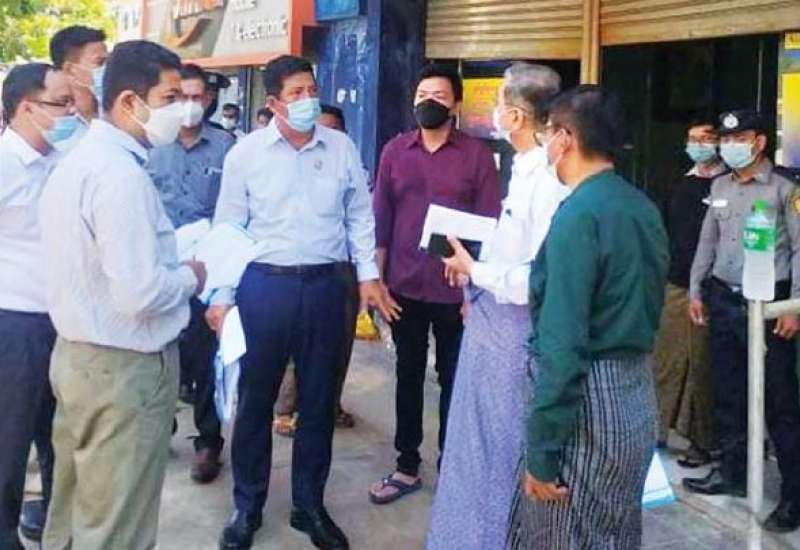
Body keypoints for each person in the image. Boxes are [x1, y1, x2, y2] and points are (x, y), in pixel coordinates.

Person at [207, 55, 399, 550]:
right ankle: (247, 506)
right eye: (296, 93)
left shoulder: (339, 147)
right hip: (263, 287)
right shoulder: (246, 154)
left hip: (327, 287)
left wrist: (368, 276)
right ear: (273, 102)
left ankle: (308, 505)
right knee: (256, 401)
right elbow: (229, 226)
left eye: (311, 90)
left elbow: (359, 215)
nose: (308, 100)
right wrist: (222, 295)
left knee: (318, 401)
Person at [38, 40, 207, 549]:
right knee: (117, 527)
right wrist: (191, 275)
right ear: (130, 101)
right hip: (124, 371)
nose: (183, 109)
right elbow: (141, 292)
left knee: (73, 513)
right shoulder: (120, 176)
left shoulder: (78, 159)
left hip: (79, 357)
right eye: (170, 97)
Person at [511, 85, 668, 549]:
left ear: (566, 138)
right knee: (616, 533)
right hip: (635, 397)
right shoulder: (640, 205)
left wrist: (542, 452)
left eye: (548, 134)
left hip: (587, 404)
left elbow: (562, 347)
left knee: (565, 533)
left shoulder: (579, 215)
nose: (546, 145)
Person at [425, 62, 566, 550]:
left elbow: (540, 279)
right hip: (491, 325)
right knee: (477, 450)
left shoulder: (549, 179)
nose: (495, 112)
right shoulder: (522, 167)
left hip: (515, 336)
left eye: (500, 103)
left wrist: (477, 271)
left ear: (517, 116)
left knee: (500, 455)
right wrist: (475, 270)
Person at [369, 63, 502, 505]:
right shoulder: (395, 151)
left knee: (454, 378)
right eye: (423, 94)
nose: (429, 102)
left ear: (456, 105)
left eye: (440, 96)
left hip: (455, 290)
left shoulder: (476, 156)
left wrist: (474, 291)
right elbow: (381, 220)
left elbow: (489, 225)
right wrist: (377, 281)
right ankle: (406, 465)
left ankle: (453, 467)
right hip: (404, 285)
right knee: (407, 375)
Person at [683, 109, 800, 532]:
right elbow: (707, 241)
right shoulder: (720, 185)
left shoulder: (785, 188)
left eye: (739, 138)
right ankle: (733, 473)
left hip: (769, 304)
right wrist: (696, 289)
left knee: (779, 401)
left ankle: (794, 495)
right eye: (727, 139)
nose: (730, 146)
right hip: (724, 298)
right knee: (729, 392)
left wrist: (795, 306)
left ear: (759, 142)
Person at [147, 62, 235, 484]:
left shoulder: (226, 147)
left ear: (210, 99)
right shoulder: (151, 145)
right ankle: (158, 427)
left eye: (197, 97)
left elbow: (236, 210)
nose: (190, 105)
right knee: (159, 354)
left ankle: (208, 443)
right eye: (181, 96)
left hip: (208, 268)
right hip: (159, 266)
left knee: (205, 358)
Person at [0, 62, 76, 550]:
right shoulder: (5, 165)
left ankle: (55, 525)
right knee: (10, 440)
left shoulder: (63, 161)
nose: (72, 112)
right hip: (15, 325)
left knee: (60, 438)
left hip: (66, 322)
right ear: (28, 108)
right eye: (61, 103)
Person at [273, 102, 360, 438]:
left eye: (334, 129)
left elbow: (362, 216)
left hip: (342, 268)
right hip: (301, 270)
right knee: (297, 345)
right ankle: (285, 408)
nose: (326, 135)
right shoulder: (290, 169)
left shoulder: (349, 164)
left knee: (338, 343)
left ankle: (329, 404)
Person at [652, 119, 726, 467]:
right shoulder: (679, 184)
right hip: (675, 284)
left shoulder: (728, 184)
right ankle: (657, 429)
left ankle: (702, 440)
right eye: (693, 138)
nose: (699, 145)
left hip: (711, 289)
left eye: (706, 138)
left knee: (702, 367)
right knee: (666, 359)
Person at [49, 25, 107, 130]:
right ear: (70, 69)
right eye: (100, 62)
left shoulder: (112, 109)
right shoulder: (58, 121)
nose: (107, 68)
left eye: (108, 61)